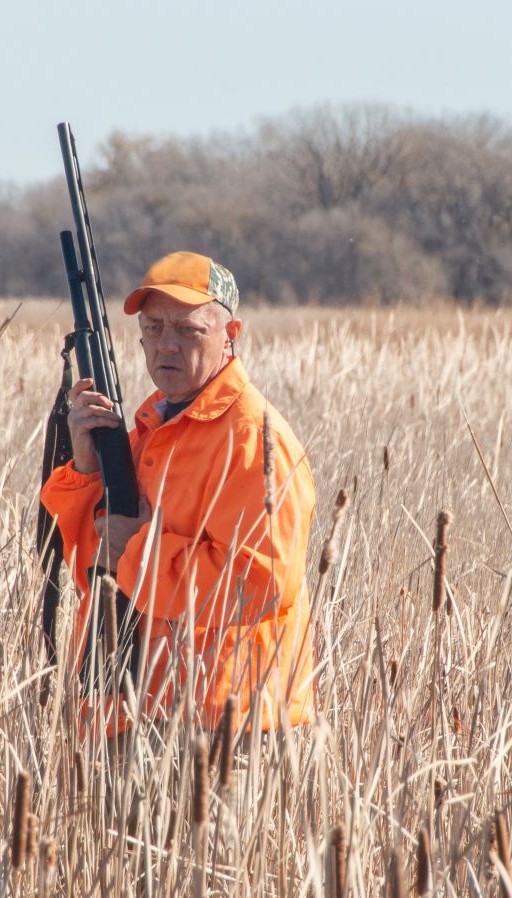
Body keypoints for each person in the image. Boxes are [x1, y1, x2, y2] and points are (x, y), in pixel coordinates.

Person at [41, 251, 315, 735]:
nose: (166, 345)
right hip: (127, 712)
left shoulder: (253, 439)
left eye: (188, 330)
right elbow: (95, 563)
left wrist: (139, 549)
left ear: (230, 336)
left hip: (220, 730)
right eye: (153, 328)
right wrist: (86, 469)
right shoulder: (150, 430)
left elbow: (259, 585)